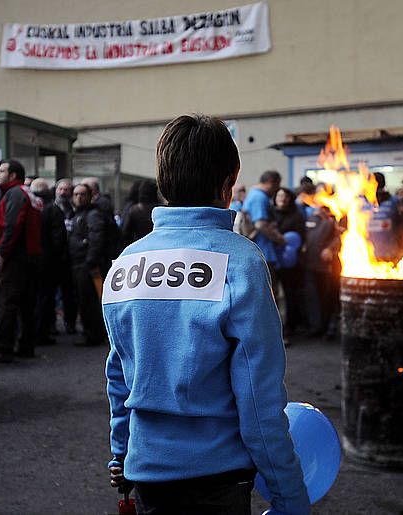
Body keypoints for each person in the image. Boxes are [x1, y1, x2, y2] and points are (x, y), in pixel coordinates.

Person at [104, 114, 309, 515]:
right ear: (228, 183)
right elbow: (259, 399)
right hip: (217, 480)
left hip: (145, 475)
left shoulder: (127, 262)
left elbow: (118, 375)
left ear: (163, 180)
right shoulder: (240, 261)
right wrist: (289, 496)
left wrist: (120, 454)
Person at [0, 159, 41, 362]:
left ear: (13, 175)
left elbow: (12, 226)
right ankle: (26, 345)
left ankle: (2, 347)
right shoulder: (28, 193)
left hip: (16, 257)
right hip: (30, 256)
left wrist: (2, 254)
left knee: (6, 302)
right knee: (25, 304)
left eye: (3, 171)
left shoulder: (14, 194)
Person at [69, 183, 108, 347]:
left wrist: (90, 261)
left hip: (86, 264)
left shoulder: (93, 215)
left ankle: (93, 334)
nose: (78, 197)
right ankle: (91, 332)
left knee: (89, 301)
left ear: (90, 196)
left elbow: (96, 238)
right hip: (79, 263)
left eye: (82, 194)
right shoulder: (78, 214)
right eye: (76, 194)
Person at [31, 178, 67, 345]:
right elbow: (58, 240)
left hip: (32, 260)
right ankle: (41, 333)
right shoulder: (53, 210)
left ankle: (35, 332)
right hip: (48, 262)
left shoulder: (31, 208)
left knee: (35, 297)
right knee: (45, 298)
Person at [304, 206, 341, 338]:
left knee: (327, 296)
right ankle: (315, 327)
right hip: (310, 263)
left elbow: (339, 238)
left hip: (327, 267)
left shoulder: (333, 219)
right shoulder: (309, 218)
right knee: (312, 297)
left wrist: (330, 249)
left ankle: (328, 327)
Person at [274, 187, 306, 337]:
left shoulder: (297, 215)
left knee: (289, 294)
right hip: (273, 259)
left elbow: (301, 237)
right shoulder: (270, 214)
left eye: (285, 196)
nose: (282, 199)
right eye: (279, 196)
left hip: (291, 262)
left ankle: (288, 327)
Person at [242, 170, 285, 273]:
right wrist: (279, 238)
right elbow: (260, 224)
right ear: (271, 182)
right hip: (262, 251)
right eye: (277, 185)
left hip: (259, 251)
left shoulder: (254, 194)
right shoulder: (259, 197)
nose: (277, 190)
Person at [54, 178, 77, 334]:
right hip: (55, 257)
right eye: (60, 189)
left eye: (66, 189)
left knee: (70, 293)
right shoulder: (51, 208)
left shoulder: (75, 210)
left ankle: (70, 322)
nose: (63, 192)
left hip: (71, 258)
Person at [121, 179, 160, 247]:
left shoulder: (134, 210)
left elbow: (126, 234)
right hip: (157, 246)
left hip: (139, 247)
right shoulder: (160, 210)